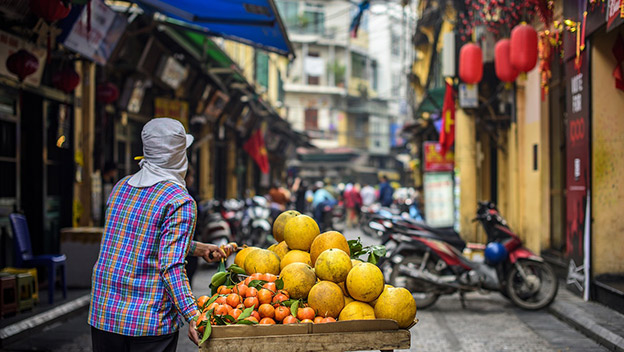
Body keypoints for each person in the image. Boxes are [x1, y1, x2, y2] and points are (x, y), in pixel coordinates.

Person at [89, 118, 226, 350]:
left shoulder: (122, 187)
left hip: (105, 314)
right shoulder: (179, 200)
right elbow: (171, 266)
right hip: (147, 321)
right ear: (179, 156)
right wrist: (194, 315)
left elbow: (138, 237)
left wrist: (196, 248)